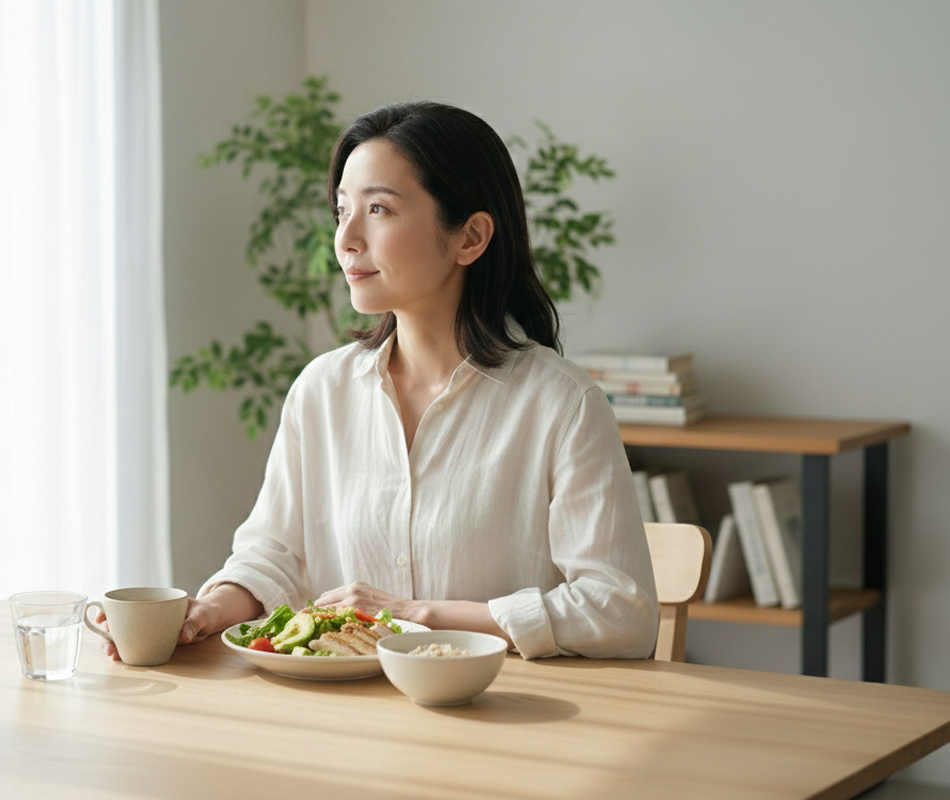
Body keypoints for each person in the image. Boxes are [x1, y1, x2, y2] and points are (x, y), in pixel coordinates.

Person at [103, 101, 658, 661]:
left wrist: (420, 616)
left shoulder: (563, 404)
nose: (346, 238)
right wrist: (205, 611)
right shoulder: (322, 390)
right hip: (342, 707)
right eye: (342, 210)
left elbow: (620, 612)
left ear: (470, 237)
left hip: (497, 705)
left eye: (378, 209)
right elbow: (272, 556)